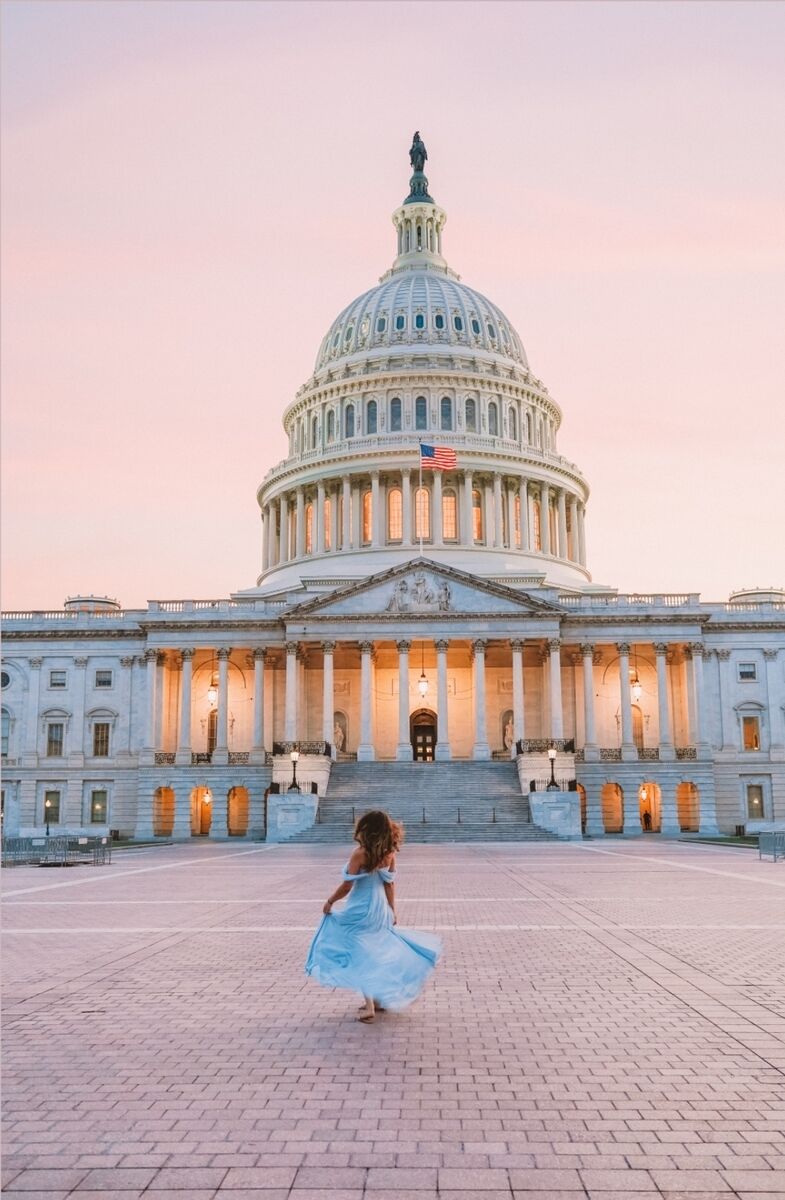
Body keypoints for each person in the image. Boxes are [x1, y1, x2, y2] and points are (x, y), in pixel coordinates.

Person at [305, 810, 441, 1022]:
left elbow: (347, 886)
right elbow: (389, 884)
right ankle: (376, 1000)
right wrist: (392, 910)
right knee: (374, 951)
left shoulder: (360, 853)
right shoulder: (389, 853)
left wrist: (330, 901)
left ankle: (369, 1007)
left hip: (360, 907)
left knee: (358, 953)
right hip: (379, 908)